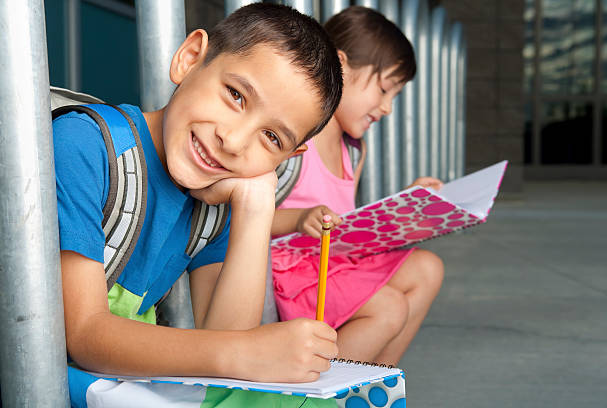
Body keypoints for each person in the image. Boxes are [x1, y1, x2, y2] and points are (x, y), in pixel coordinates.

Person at [54, 4, 343, 407]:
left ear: (289, 157)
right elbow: (83, 335)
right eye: (236, 95)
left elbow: (225, 344)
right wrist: (248, 352)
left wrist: (256, 204)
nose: (234, 141)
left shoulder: (217, 200)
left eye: (272, 139)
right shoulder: (86, 145)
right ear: (190, 59)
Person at [271, 6, 445, 367]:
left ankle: (375, 383)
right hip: (290, 270)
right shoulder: (299, 139)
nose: (387, 108)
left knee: (428, 268)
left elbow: (347, 229)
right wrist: (299, 218)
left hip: (332, 262)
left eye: (394, 97)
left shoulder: (353, 150)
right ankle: (322, 398)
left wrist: (404, 209)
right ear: (340, 66)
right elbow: (242, 218)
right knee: (389, 307)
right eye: (384, 90)